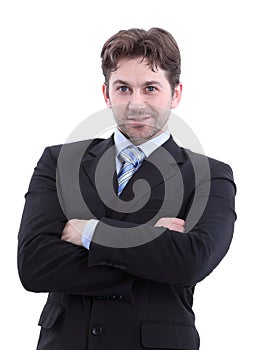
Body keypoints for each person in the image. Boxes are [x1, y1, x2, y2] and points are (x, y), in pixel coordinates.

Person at [17, 27, 236, 350]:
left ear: (175, 94)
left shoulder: (209, 175)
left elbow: (192, 261)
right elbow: (35, 266)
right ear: (106, 94)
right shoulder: (59, 161)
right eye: (123, 89)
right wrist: (151, 246)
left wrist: (90, 232)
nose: (136, 104)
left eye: (150, 88)